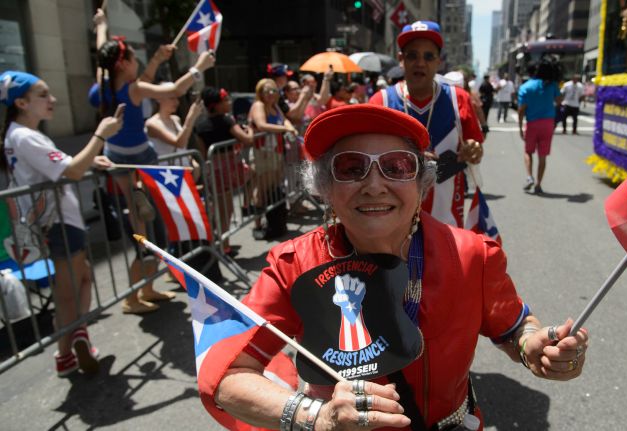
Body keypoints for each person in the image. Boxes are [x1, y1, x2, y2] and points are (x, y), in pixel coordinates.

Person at [204, 104, 589, 430]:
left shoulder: (473, 255)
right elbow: (225, 374)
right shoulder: (293, 266)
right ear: (325, 187)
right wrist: (318, 417)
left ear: (421, 184)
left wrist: (533, 346)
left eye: (397, 166)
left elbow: (514, 327)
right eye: (352, 168)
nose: (374, 185)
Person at [89, 8, 215, 313]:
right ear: (124, 63)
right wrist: (198, 67)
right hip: (137, 158)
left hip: (120, 157)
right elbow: (172, 90)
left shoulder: (102, 81)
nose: (139, 62)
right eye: (134, 57)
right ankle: (134, 297)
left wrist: (102, 25)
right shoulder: (134, 88)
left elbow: (101, 48)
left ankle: (146, 288)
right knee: (144, 229)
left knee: (146, 221)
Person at [0, 70, 124, 375]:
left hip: (54, 222)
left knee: (78, 281)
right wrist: (99, 136)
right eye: (43, 94)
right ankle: (77, 335)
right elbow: (71, 171)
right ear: (21, 102)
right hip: (58, 223)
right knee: (69, 289)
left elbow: (59, 164)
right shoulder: (24, 135)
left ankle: (66, 352)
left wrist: (89, 157)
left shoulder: (22, 135)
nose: (52, 99)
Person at [369, 20, 484, 228]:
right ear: (401, 60)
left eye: (428, 56)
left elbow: (475, 146)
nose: (420, 63)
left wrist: (473, 150)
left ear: (439, 61)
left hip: (446, 219)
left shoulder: (459, 100)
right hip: (392, 222)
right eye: (412, 55)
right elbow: (367, 158)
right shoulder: (381, 102)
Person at [195, 86, 254, 254]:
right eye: (225, 100)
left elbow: (202, 152)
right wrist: (249, 130)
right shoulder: (227, 121)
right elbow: (247, 140)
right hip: (228, 169)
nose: (229, 102)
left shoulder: (200, 125)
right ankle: (223, 245)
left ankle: (220, 240)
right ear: (216, 104)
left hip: (212, 169)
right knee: (226, 210)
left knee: (218, 208)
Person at [248, 78, 299, 240]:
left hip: (275, 152)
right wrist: (285, 128)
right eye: (267, 91)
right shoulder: (258, 106)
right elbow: (262, 125)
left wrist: (288, 125)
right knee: (261, 189)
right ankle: (256, 224)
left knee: (273, 187)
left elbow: (284, 119)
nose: (271, 93)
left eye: (274, 90)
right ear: (260, 93)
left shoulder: (275, 106)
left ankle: (272, 221)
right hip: (261, 153)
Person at [517, 58, 562, 195]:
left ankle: (529, 177)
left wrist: (520, 127)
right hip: (548, 123)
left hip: (532, 123)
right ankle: (538, 184)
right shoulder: (552, 85)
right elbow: (559, 101)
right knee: (543, 156)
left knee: (528, 152)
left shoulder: (525, 87)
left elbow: (521, 110)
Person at [145, 86, 204, 179]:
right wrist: (191, 118)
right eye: (172, 98)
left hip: (185, 171)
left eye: (177, 98)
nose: (177, 102)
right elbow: (179, 143)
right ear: (159, 98)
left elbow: (182, 145)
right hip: (167, 175)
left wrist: (191, 160)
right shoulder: (152, 123)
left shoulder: (176, 119)